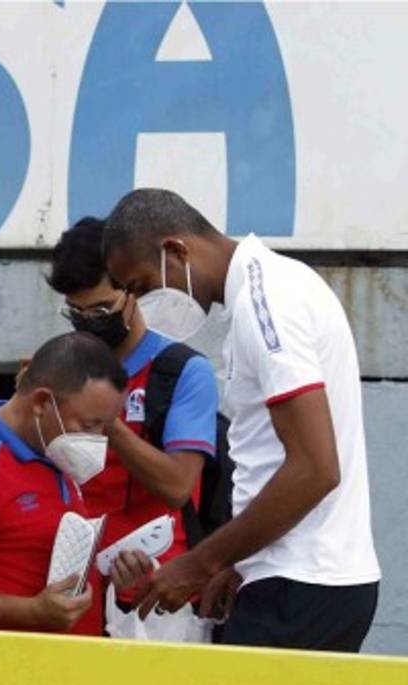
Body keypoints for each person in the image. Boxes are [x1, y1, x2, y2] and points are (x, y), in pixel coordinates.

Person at [104, 188, 380, 652]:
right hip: (297, 576)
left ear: (175, 250)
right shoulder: (277, 284)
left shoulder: (264, 300)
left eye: (142, 286)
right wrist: (239, 563)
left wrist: (200, 563)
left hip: (300, 584)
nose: (140, 306)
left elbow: (315, 469)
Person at [46, 217, 219, 627]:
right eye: (77, 312)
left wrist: (106, 420)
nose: (90, 321)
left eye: (103, 309)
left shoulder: (182, 371)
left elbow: (179, 486)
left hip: (155, 588)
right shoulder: (59, 369)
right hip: (72, 585)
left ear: (133, 291)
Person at [0, 332, 130, 634]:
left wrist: (109, 569)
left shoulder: (56, 452)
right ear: (42, 402)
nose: (98, 439)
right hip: (0, 669)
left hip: (65, 669)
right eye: (88, 424)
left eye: (103, 426)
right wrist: (31, 612)